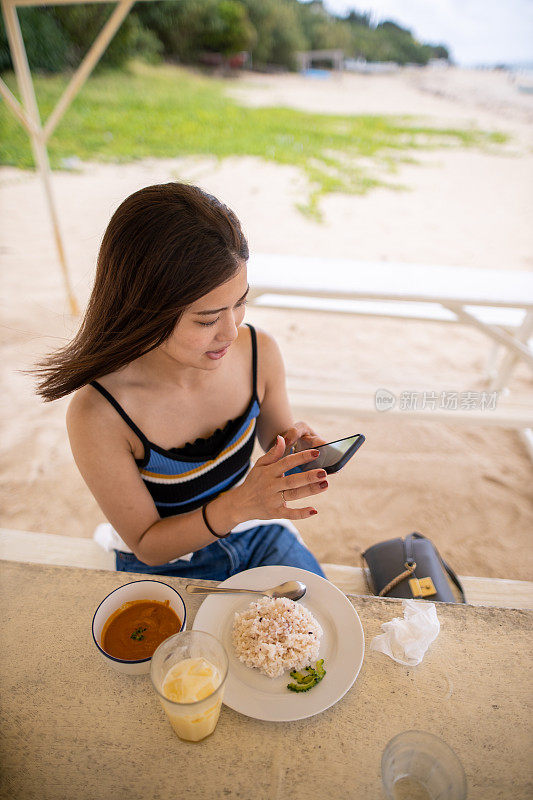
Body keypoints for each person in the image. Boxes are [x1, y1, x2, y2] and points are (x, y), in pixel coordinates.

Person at [35, 182, 329, 580]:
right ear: (146, 309)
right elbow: (149, 544)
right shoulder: (100, 413)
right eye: (207, 319)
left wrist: (295, 449)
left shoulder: (259, 352)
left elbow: (274, 439)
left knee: (317, 629)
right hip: (173, 562)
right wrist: (240, 504)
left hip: (256, 536)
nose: (230, 331)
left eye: (240, 302)